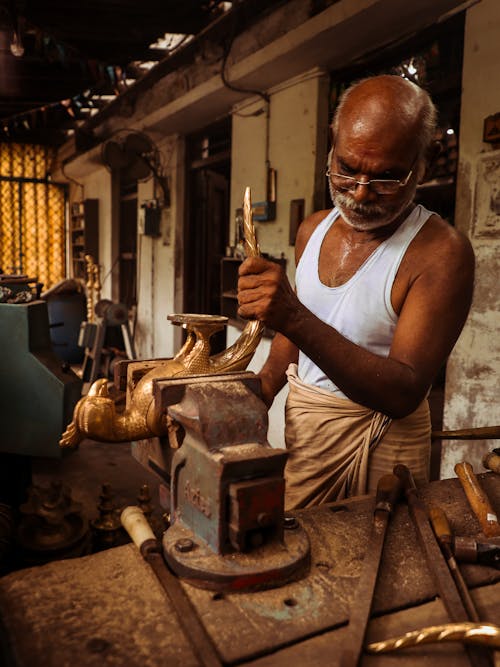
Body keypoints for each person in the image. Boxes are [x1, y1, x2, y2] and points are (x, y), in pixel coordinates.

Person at [237, 74, 475, 509]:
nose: (361, 193)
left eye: (386, 177)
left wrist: (291, 314)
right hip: (306, 439)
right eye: (347, 169)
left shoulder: (442, 253)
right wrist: (254, 395)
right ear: (332, 145)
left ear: (425, 162)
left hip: (380, 451)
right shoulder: (313, 229)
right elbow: (291, 345)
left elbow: (403, 391)